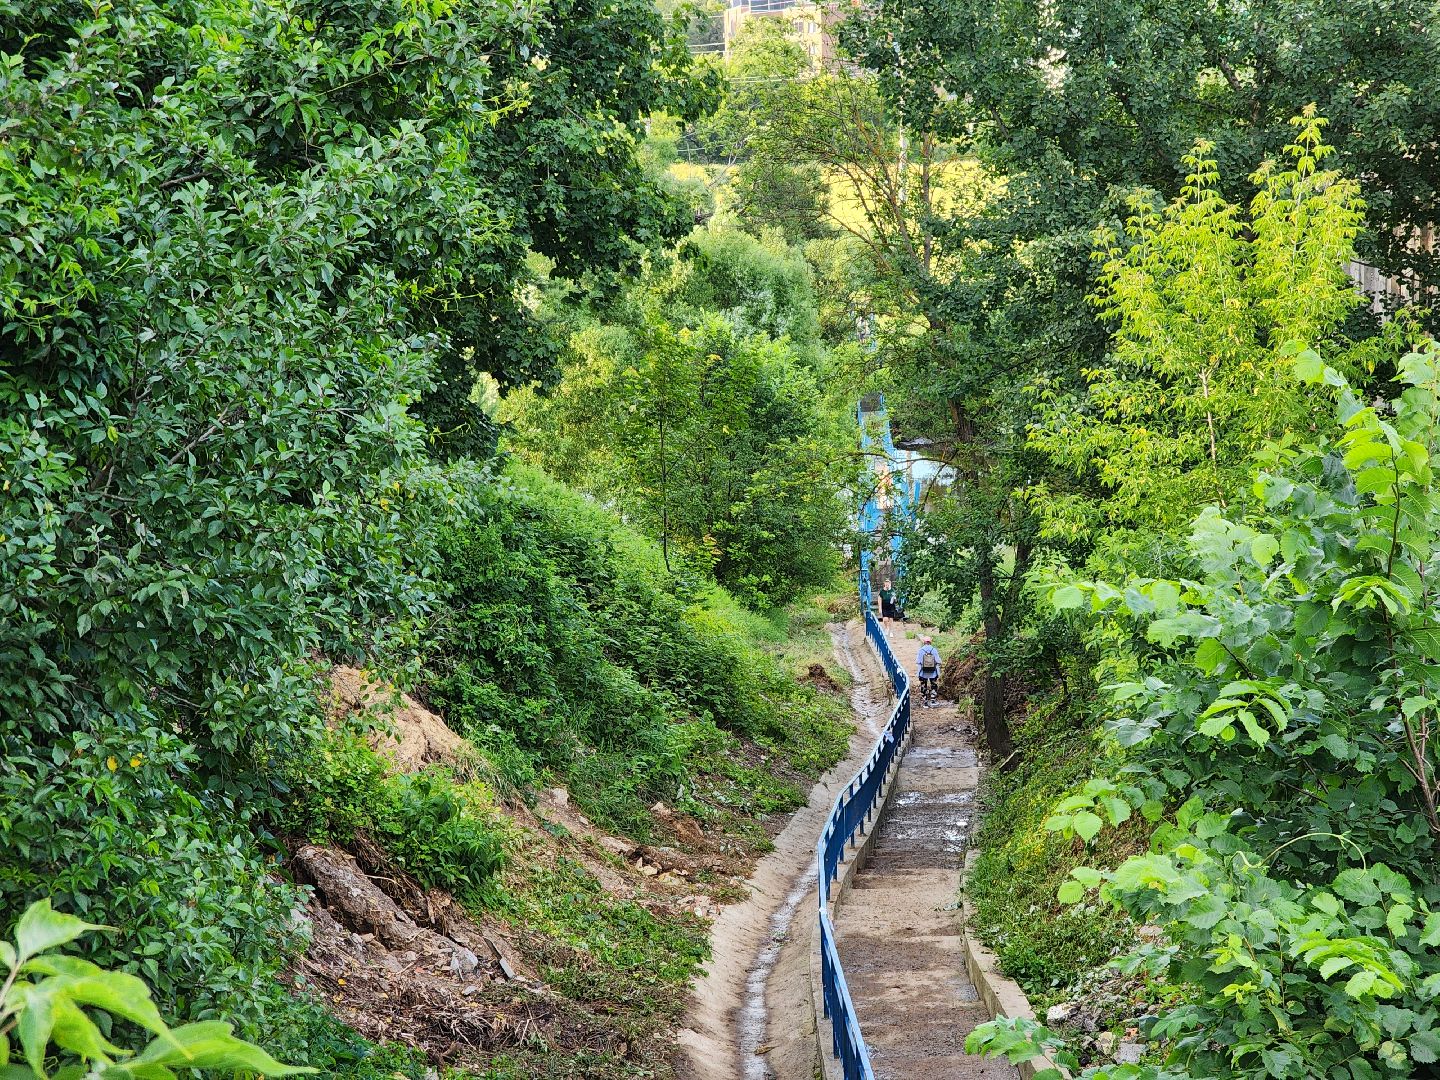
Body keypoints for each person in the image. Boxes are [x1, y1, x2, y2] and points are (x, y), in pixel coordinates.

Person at [916, 636, 941, 707]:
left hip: (923, 672)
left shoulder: (921, 650)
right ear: (930, 642)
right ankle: (933, 701)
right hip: (933, 672)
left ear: (924, 642)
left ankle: (925, 702)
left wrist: (918, 673)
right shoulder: (934, 650)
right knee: (934, 685)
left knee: (923, 686)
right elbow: (938, 661)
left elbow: (918, 662)